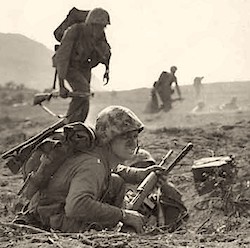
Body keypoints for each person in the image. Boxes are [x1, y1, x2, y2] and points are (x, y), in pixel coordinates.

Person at [18, 106, 168, 233]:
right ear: (108, 138)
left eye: (135, 136)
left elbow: (116, 170)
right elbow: (76, 206)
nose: (132, 142)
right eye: (125, 137)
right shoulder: (93, 164)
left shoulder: (97, 156)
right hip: (51, 220)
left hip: (53, 213)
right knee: (113, 226)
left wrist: (141, 175)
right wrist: (124, 215)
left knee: (116, 182)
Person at [52, 7, 111, 123]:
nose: (100, 30)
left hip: (84, 67)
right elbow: (62, 58)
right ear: (90, 24)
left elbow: (106, 52)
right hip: (69, 66)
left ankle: (78, 126)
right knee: (83, 90)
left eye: (103, 27)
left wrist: (107, 70)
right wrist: (61, 85)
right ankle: (69, 124)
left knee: (85, 96)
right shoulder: (74, 31)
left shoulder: (100, 37)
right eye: (97, 26)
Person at [122, 148, 188, 228]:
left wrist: (164, 185)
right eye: (140, 168)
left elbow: (181, 210)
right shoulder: (123, 195)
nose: (146, 172)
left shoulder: (158, 198)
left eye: (148, 167)